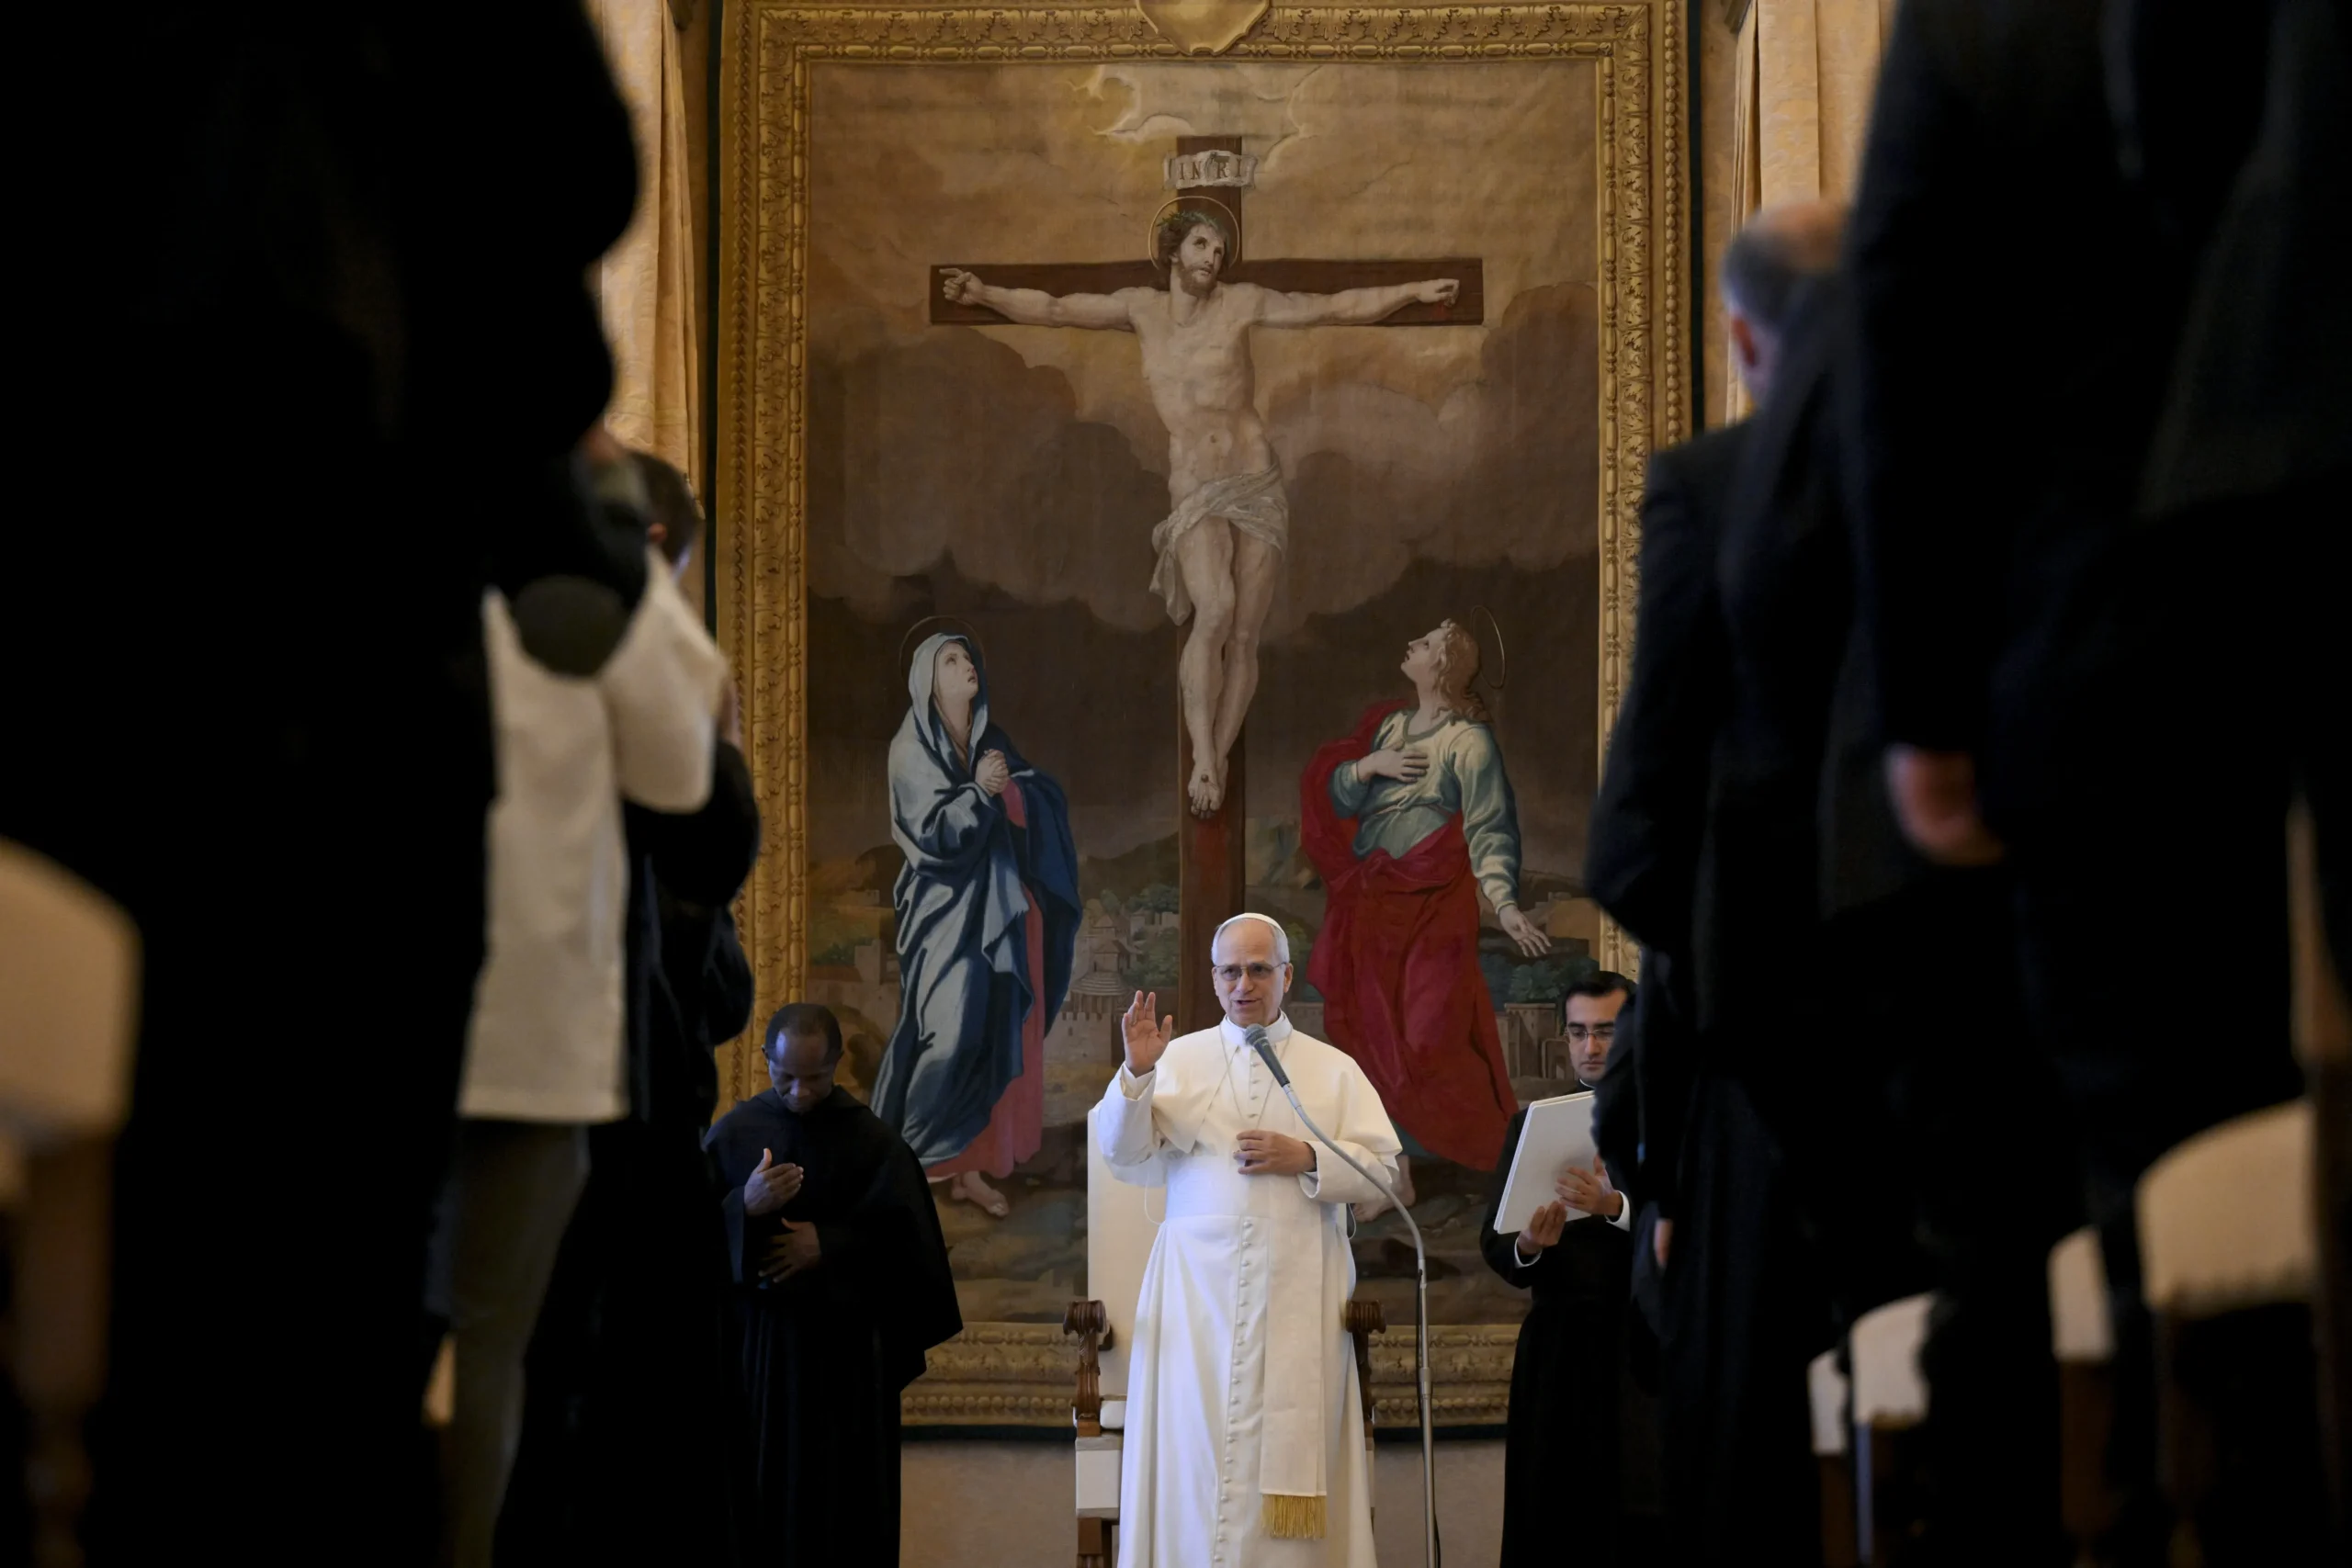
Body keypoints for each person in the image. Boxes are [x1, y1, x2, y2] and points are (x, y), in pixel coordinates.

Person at [1846, 2, 2342, 1557]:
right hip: (2223, 627)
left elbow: (1904, 349)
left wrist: (1926, 712)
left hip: (2118, 667)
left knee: (2177, 1203)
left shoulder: (1988, 26)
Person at [1586, 205, 1847, 1567]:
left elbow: (1636, 835)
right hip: (1984, 1041)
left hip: (1769, 1054)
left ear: (1742, 337)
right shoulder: (2003, 456)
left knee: (1752, 1472)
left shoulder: (1717, 482)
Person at [433, 441, 728, 1568]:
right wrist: (631, 574)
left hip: (408, 1027)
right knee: (500, 1360)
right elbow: (683, 769)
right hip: (530, 1044)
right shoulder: (599, 604)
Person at [943, 215, 1459, 815]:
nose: (1213, 255)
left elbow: (1334, 307)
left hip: (1256, 478)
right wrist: (982, 294)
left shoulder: (1242, 302)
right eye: (1201, 244)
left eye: (1219, 247)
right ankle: (1206, 761)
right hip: (1196, 484)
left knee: (1244, 633)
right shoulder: (1141, 309)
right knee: (1213, 608)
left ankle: (1215, 756)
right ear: (1173, 251)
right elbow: (1055, 309)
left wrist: (1413, 292)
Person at [498, 450, 763, 1568]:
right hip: (588, 1086)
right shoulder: (617, 651)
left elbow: (718, 950)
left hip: (585, 1078)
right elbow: (714, 837)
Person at [1092, 911, 1402, 1567]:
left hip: (1300, 1295)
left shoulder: (1332, 1068)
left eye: (1260, 968)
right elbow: (1122, 1153)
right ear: (1214, 978)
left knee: (1285, 1476)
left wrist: (1309, 1156)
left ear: (1286, 976)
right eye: (1230, 970)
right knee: (1192, 1464)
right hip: (1191, 1308)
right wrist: (1137, 1075)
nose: (1244, 984)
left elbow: (1384, 1177)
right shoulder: (1176, 1059)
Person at [704, 1004, 961, 1568]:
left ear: (837, 1065)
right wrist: (741, 1209)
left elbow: (917, 1261)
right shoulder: (733, 1135)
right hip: (755, 1368)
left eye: (815, 1079)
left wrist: (831, 1244)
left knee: (843, 1525)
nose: (799, 1092)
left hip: (846, 1374)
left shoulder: (877, 1147)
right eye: (785, 1076)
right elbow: (675, 1253)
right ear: (767, 1061)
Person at [1302, 619, 1550, 1185]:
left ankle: (1492, 1158)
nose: (1412, 643)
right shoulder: (1390, 727)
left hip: (1433, 906)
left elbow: (1490, 827)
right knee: (1367, 1035)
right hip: (1373, 907)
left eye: (1428, 642)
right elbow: (1337, 796)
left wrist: (1505, 903)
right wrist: (1370, 766)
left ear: (1442, 665)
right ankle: (1396, 1169)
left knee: (1426, 1035)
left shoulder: (1468, 742)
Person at [872, 632, 1082, 1219]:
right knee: (951, 1030)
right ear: (927, 680)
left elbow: (1037, 796)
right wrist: (981, 794)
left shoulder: (989, 740)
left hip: (996, 910)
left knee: (991, 1034)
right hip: (943, 911)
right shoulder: (911, 748)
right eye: (951, 660)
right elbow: (932, 833)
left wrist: (1010, 791)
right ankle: (908, 1165)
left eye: (968, 658)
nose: (967, 667)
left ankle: (966, 1169)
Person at [1480, 973, 1653, 1568]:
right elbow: (1498, 1246)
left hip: (1641, 1352)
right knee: (1551, 1519)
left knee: (1636, 1516)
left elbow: (1696, 1236)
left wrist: (1616, 1207)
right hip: (1556, 1350)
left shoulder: (1670, 1118)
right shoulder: (1532, 1124)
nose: (1591, 1047)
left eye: (1605, 1031)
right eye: (1578, 1032)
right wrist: (1528, 1242)